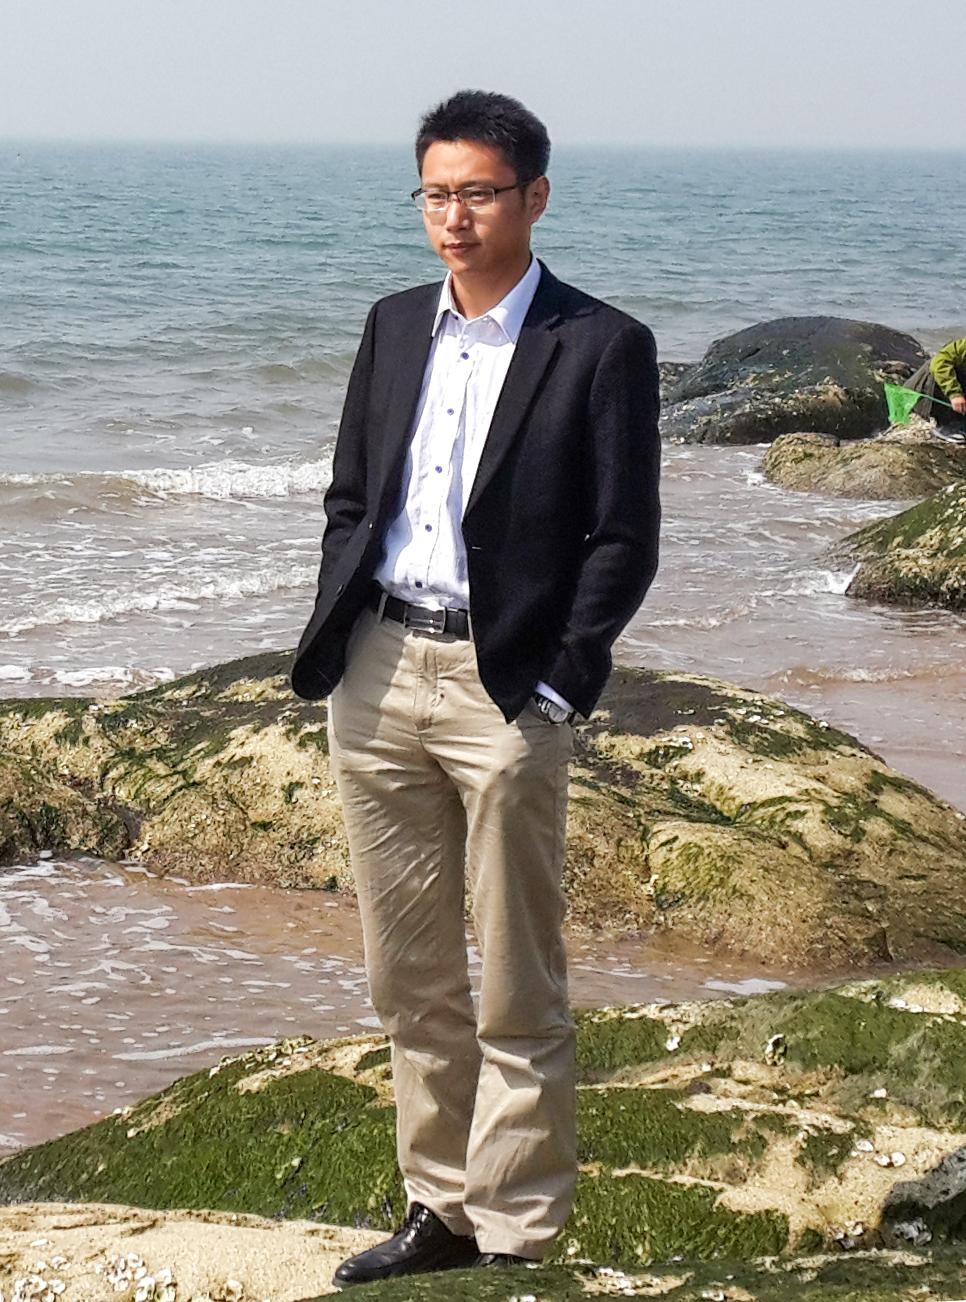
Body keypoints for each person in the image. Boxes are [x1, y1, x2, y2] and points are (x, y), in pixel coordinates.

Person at [290, 89, 661, 1288]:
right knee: (407, 969)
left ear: (534, 197)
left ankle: (518, 1231)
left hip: (505, 686)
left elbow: (623, 537)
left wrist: (563, 680)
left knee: (515, 972)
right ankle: (439, 1208)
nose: (455, 217)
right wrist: (341, 623)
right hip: (378, 669)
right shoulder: (396, 322)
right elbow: (354, 495)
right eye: (437, 194)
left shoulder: (599, 344)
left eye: (481, 194)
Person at [904, 336, 966, 440]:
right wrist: (955, 394)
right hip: (925, 388)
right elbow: (940, 362)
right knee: (943, 369)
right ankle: (946, 426)